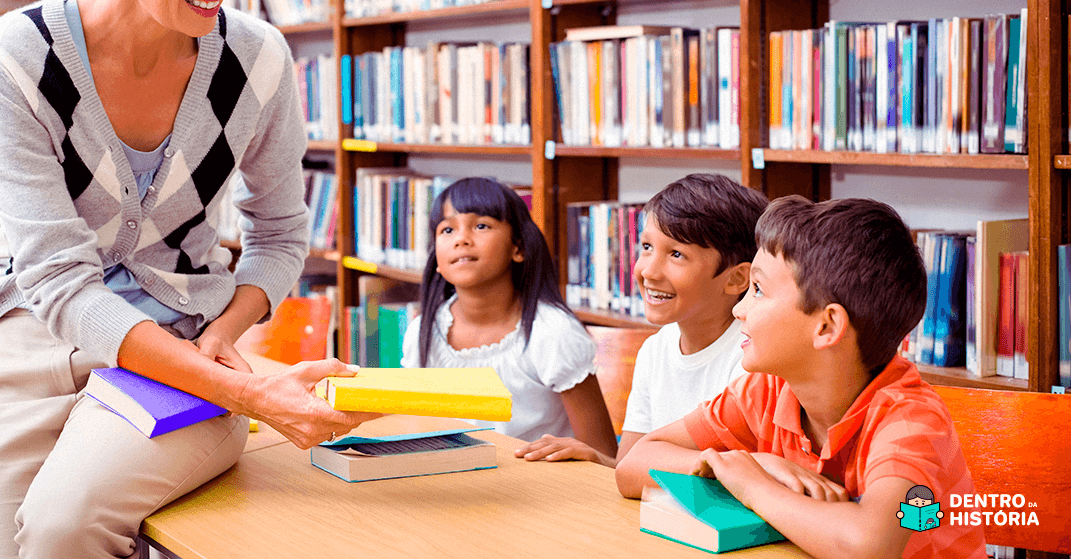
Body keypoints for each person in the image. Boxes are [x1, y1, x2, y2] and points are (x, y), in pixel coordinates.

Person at [0, 0, 375, 556]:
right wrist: (252, 394)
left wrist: (222, 335)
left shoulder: (257, 61)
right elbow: (59, 281)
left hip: (183, 352)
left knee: (65, 526)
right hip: (31, 341)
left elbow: (280, 232)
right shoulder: (17, 57)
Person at [615, 196, 987, 558]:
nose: (740, 309)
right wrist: (746, 465)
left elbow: (868, 546)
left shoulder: (910, 420)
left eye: (758, 290)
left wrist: (753, 486)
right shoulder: (766, 391)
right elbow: (633, 464)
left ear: (827, 326)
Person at [515, 174, 767, 466]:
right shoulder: (654, 350)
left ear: (736, 279)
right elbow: (629, 466)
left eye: (676, 254)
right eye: (646, 247)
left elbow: (725, 474)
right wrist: (595, 458)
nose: (648, 271)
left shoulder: (751, 360)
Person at [400, 177, 617, 458]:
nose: (461, 239)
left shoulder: (552, 333)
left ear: (519, 248)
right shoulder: (423, 331)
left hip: (539, 481)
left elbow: (603, 456)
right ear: (436, 261)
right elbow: (415, 430)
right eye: (447, 229)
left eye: (481, 226)